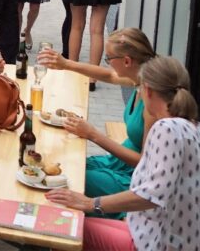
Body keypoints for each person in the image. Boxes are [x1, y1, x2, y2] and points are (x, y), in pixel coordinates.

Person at [46, 56, 200, 250]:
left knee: (64, 226)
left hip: (157, 243)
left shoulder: (166, 128)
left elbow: (150, 194)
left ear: (147, 91)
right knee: (75, 217)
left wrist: (91, 203)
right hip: (167, 236)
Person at [39, 28, 155, 214]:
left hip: (132, 177)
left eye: (108, 59)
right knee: (69, 165)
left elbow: (145, 163)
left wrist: (93, 134)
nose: (108, 64)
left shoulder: (152, 102)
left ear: (127, 61)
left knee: (70, 180)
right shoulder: (140, 78)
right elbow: (109, 75)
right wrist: (66, 64)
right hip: (119, 162)